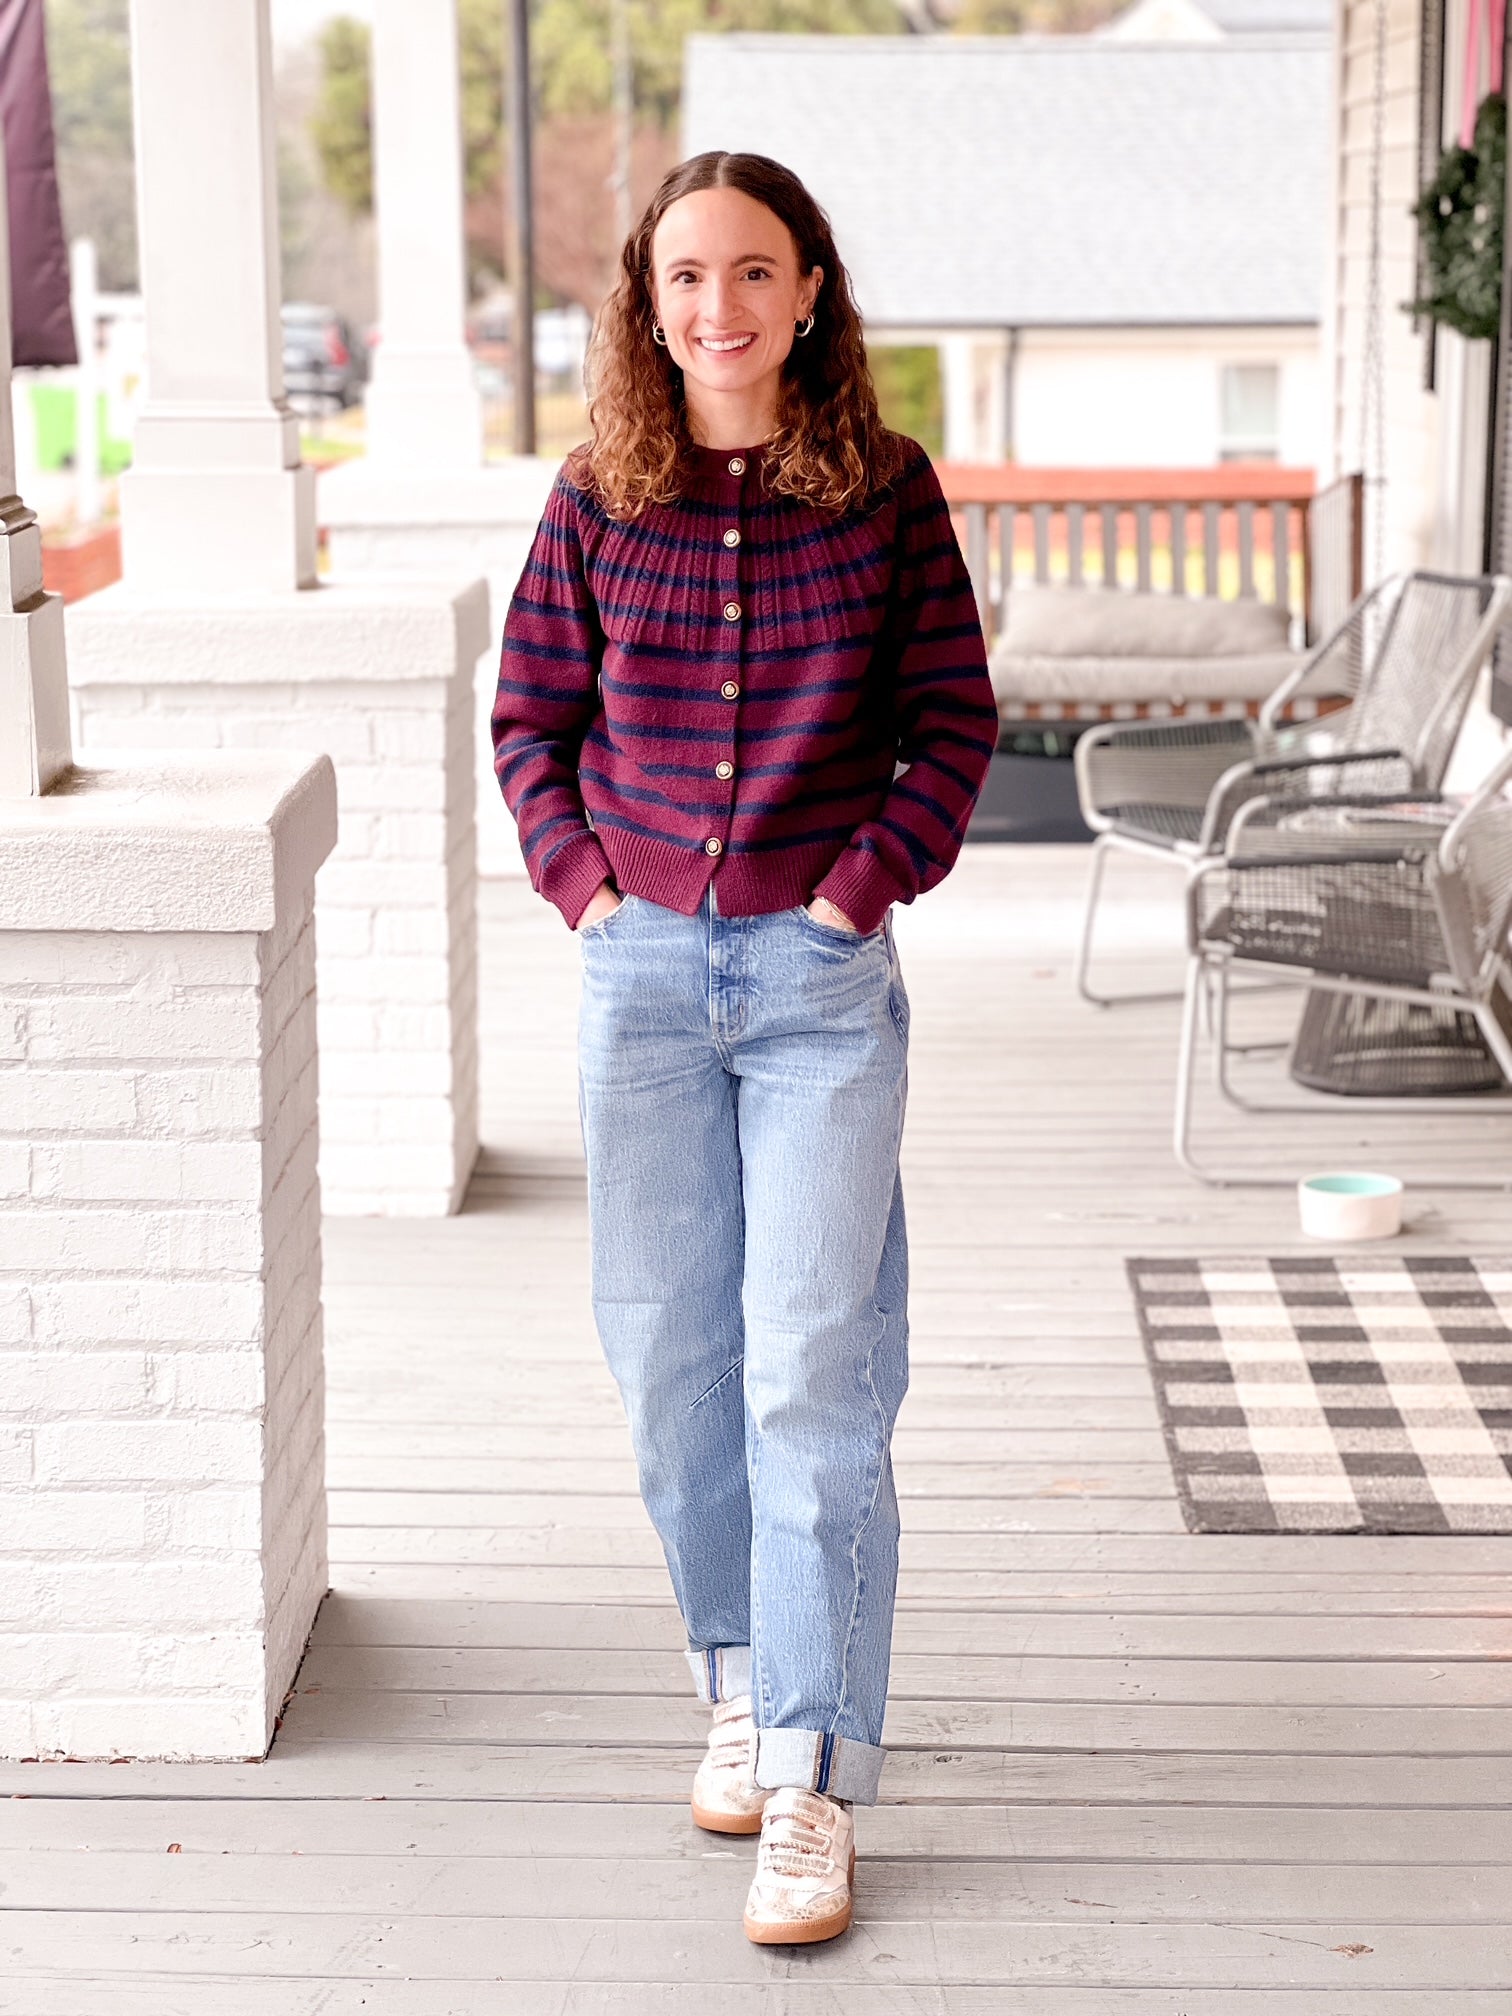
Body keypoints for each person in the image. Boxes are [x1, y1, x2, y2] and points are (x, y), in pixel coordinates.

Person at [493, 150, 997, 1946]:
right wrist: (583, 888)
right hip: (639, 983)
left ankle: (809, 1771)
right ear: (647, 301)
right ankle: (737, 1670)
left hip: (816, 987)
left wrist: (860, 889)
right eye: (684, 276)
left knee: (810, 1366)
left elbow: (953, 721)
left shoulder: (880, 492)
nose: (719, 306)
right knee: (670, 1363)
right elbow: (529, 720)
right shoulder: (596, 497)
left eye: (753, 272)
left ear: (807, 295)